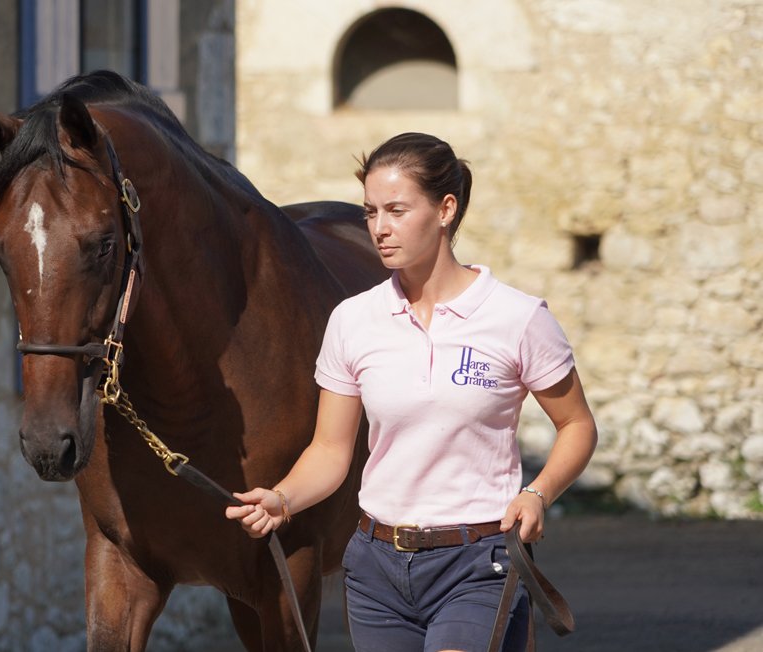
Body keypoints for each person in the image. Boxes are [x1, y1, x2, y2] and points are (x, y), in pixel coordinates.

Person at [225, 133, 598, 652]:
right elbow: (330, 450)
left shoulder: (518, 318)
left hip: (477, 561)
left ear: (446, 209)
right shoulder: (353, 320)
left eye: (396, 211)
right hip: (375, 568)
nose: (379, 228)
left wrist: (538, 493)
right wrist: (282, 499)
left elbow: (577, 425)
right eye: (371, 212)